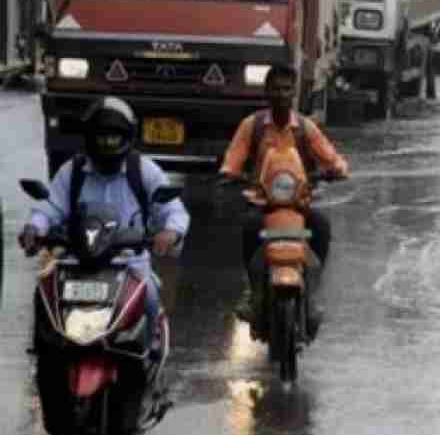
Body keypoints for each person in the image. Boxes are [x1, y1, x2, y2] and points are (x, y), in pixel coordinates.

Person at [17, 96, 189, 346]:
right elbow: (49, 206)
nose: (108, 143)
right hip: (76, 260)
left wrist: (171, 232)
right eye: (101, 137)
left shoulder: (144, 170)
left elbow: (173, 210)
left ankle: (148, 351)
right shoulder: (72, 171)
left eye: (114, 137)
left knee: (150, 296)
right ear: (89, 138)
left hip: (129, 263)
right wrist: (35, 227)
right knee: (43, 295)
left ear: (127, 137)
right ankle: (45, 353)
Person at [219, 64, 349, 330]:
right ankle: (253, 292)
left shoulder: (305, 127)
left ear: (295, 93)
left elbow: (331, 157)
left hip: (298, 204)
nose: (281, 94)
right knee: (250, 229)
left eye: (287, 89)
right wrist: (231, 173)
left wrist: (336, 170)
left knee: (322, 226)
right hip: (262, 202)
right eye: (276, 89)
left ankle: (313, 291)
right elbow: (232, 160)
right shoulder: (251, 126)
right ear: (267, 92)